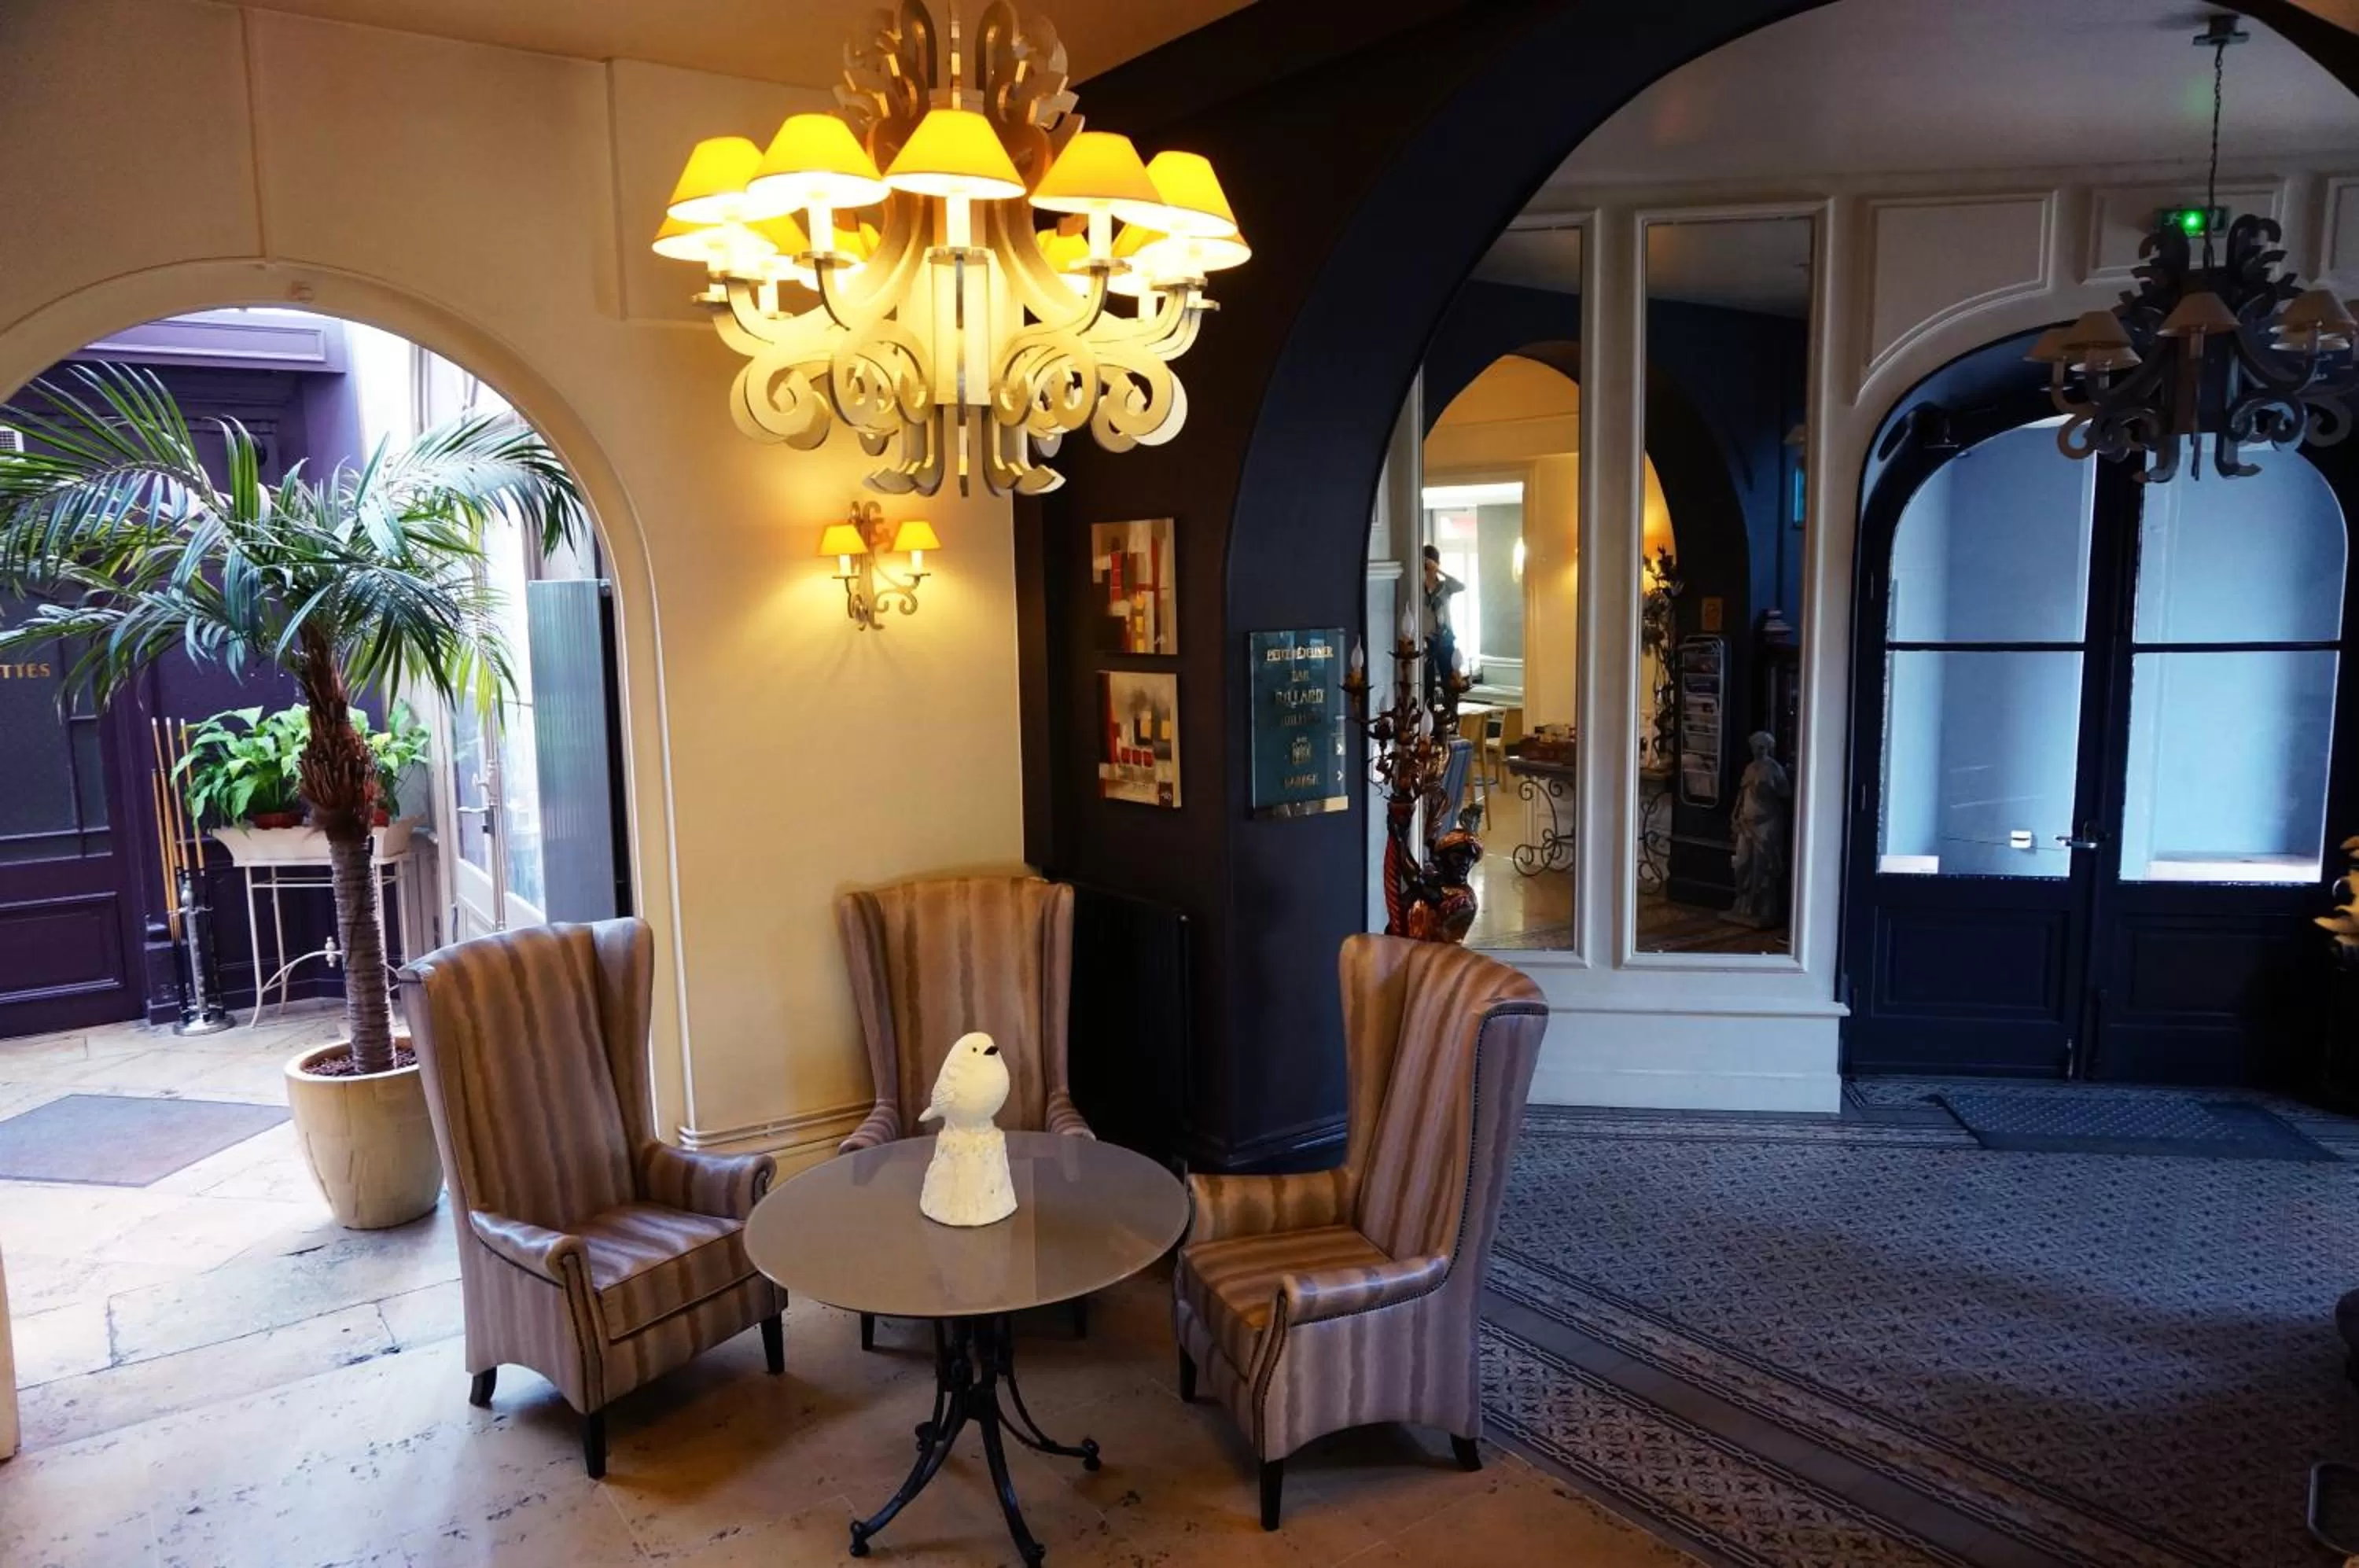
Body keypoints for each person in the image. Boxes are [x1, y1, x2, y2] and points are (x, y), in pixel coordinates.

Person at [1421, 543, 1464, 706]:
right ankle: (1428, 716)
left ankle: (1451, 715)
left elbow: (1461, 586)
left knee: (1450, 680)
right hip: (1428, 640)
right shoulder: (1419, 588)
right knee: (1427, 682)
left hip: (1446, 638)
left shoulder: (1445, 587)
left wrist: (1439, 571)